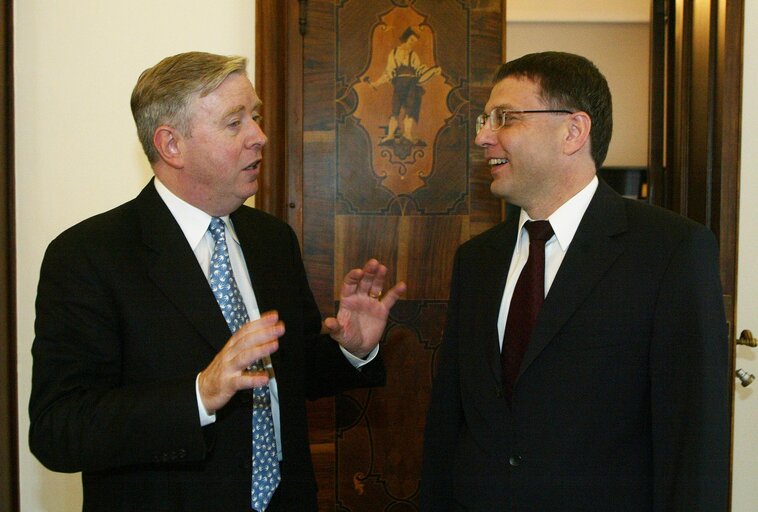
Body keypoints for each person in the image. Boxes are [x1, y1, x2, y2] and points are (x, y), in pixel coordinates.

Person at [29, 51, 406, 512]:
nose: (260, 136)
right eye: (235, 123)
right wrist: (199, 395)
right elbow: (59, 430)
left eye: (256, 116)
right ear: (171, 145)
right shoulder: (89, 255)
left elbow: (289, 374)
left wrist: (352, 349)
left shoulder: (272, 240)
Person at [420, 51, 729, 511]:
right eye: (486, 119)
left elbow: (693, 442)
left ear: (573, 131)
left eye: (503, 118)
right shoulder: (476, 261)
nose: (483, 137)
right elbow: (449, 423)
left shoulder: (670, 252)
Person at [367, 27, 440, 145]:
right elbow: (388, 72)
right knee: (395, 109)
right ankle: (390, 136)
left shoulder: (414, 55)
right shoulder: (394, 53)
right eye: (411, 41)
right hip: (399, 85)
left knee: (410, 110)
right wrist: (376, 83)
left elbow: (420, 70)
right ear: (405, 39)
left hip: (412, 85)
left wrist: (433, 71)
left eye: (414, 42)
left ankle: (408, 135)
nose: (412, 44)